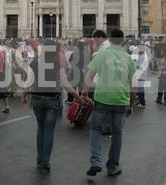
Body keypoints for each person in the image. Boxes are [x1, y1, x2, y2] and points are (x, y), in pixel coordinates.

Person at [22, 39, 84, 174]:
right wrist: (78, 98)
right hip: (52, 100)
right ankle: (45, 163)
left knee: (40, 128)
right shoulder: (57, 63)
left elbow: (28, 82)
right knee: (49, 131)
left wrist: (24, 96)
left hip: (37, 99)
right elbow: (66, 83)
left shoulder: (34, 63)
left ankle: (39, 159)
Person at [81, 29, 137, 177]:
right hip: (121, 100)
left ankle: (96, 162)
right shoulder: (129, 58)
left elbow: (89, 75)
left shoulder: (101, 55)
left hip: (102, 98)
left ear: (110, 40)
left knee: (95, 129)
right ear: (123, 41)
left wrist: (84, 94)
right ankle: (112, 167)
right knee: (117, 133)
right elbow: (134, 86)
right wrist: (131, 105)